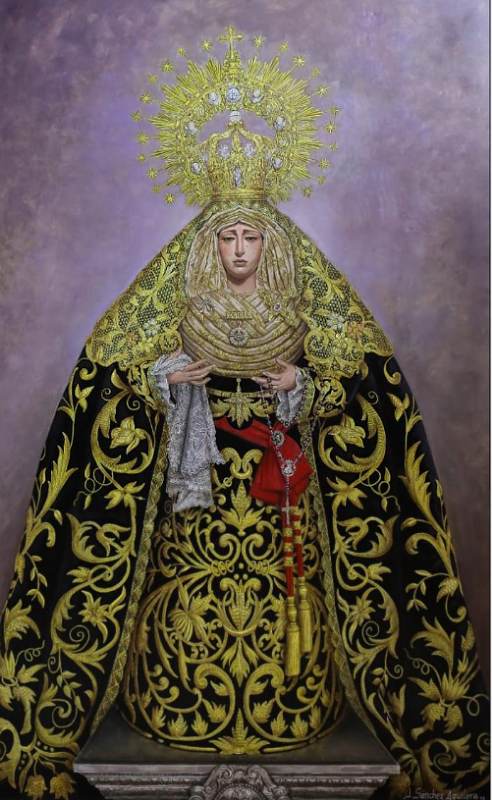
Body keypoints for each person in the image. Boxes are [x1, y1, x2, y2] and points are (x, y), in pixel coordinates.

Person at [0, 27, 488, 800]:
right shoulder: (172, 300)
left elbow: (367, 392)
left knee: (292, 611)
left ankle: (290, 709)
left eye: (250, 236)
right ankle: (180, 703)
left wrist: (304, 386)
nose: (237, 250)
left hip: (282, 499)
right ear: (208, 243)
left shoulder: (309, 301)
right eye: (226, 236)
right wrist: (162, 379)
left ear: (270, 242)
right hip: (191, 505)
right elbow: (103, 391)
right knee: (186, 609)